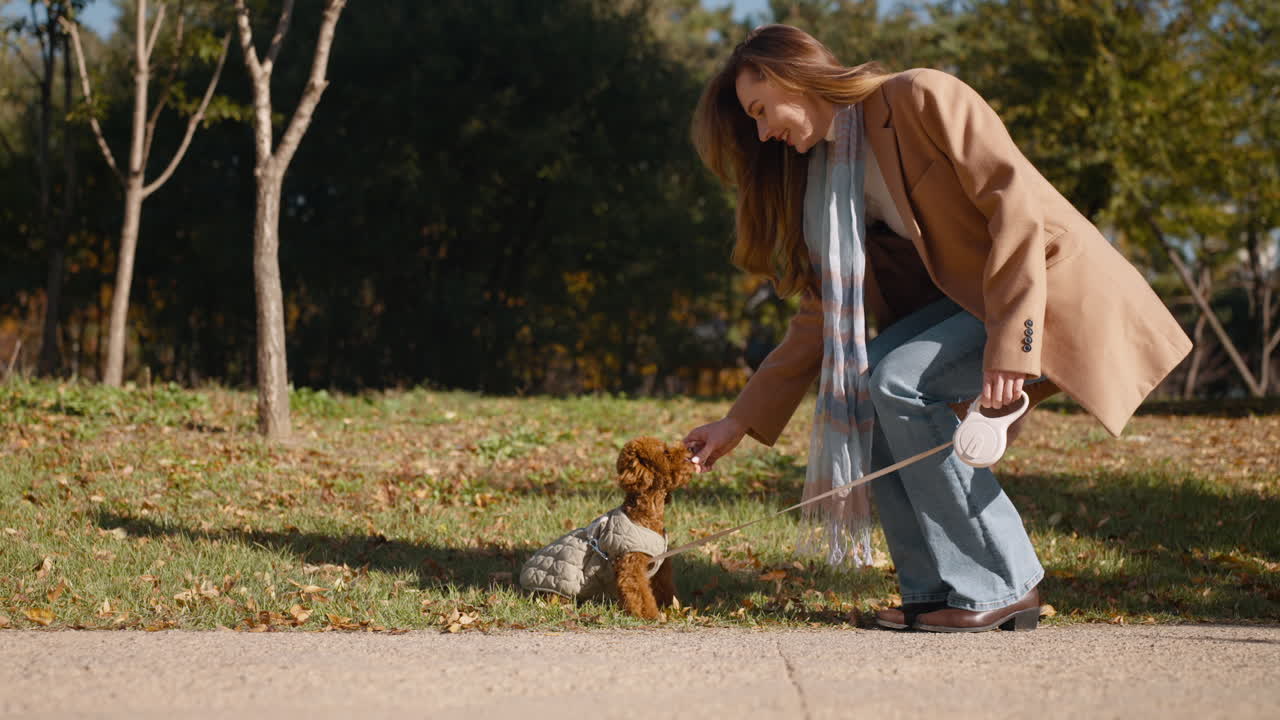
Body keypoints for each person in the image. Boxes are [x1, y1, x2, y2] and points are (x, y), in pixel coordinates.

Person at [682, 25, 1191, 633]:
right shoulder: (827, 179)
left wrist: (1011, 346)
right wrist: (737, 421)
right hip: (971, 306)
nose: (764, 131)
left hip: (1042, 290)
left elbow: (1016, 207)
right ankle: (930, 591)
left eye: (761, 110)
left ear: (792, 74)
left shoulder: (923, 98)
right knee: (866, 381)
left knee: (896, 377)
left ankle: (1002, 585)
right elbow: (824, 312)